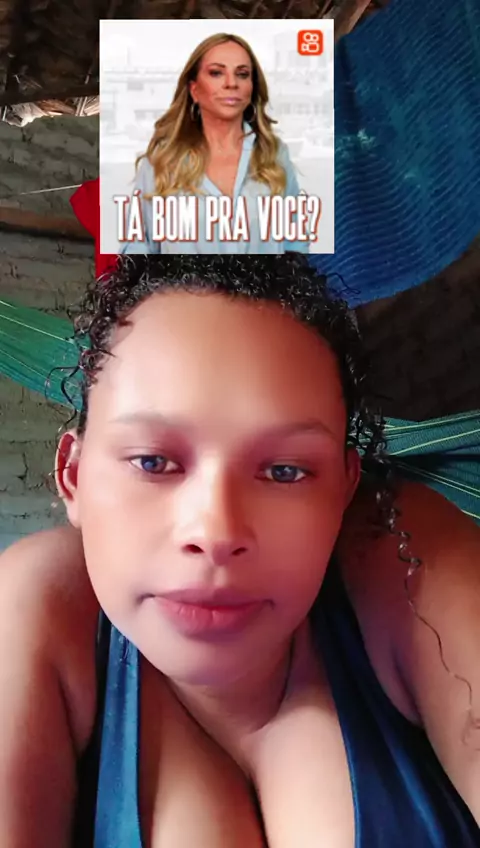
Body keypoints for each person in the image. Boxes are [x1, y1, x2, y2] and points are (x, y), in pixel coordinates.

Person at [0, 254, 479, 847]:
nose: (217, 532)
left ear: (345, 487)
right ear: (72, 475)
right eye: (153, 461)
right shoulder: (38, 604)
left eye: (284, 471)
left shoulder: (402, 549)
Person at [119, 33, 310, 255]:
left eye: (242, 74)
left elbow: (296, 243)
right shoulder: (161, 161)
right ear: (194, 89)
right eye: (216, 73)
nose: (231, 83)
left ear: (252, 87)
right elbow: (136, 248)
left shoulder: (275, 155)